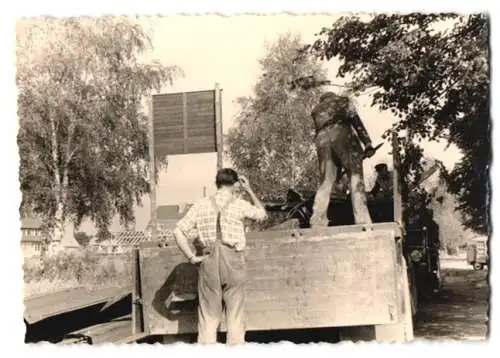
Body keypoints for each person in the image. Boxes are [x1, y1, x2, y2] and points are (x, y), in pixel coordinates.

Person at [173, 168, 267, 345]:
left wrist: (192, 257)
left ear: (217, 183)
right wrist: (249, 190)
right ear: (235, 184)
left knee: (208, 315)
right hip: (234, 261)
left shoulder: (201, 204)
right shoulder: (239, 204)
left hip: (208, 260)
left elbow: (177, 231)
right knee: (235, 313)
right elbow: (262, 215)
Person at [309, 91, 376, 227]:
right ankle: (362, 221)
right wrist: (367, 143)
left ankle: (317, 219)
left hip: (321, 140)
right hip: (342, 133)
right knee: (355, 178)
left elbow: (333, 161)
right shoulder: (343, 101)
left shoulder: (316, 110)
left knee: (326, 182)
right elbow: (356, 121)